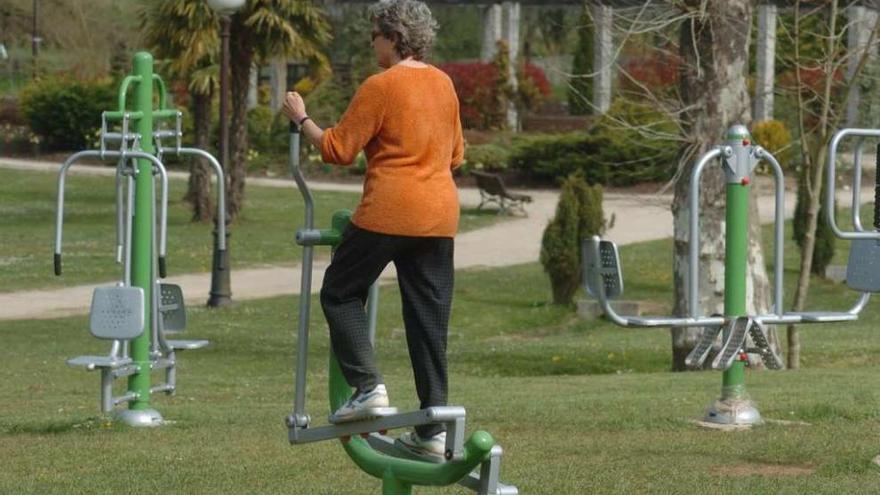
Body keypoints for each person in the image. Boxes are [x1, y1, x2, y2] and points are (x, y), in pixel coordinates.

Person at [282, 0, 464, 459]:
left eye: (375, 35)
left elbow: (338, 149)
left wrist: (301, 118)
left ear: (393, 36)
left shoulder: (381, 85)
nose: (371, 43)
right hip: (440, 216)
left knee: (340, 291)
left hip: (389, 210)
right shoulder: (444, 84)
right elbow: (456, 155)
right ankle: (433, 429)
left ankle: (368, 388)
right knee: (428, 321)